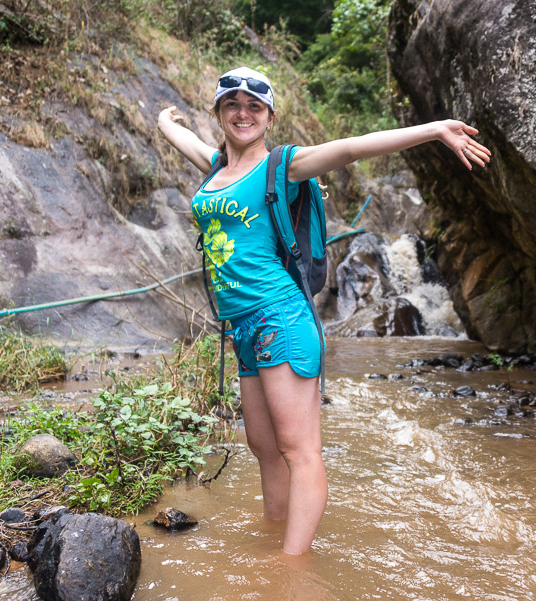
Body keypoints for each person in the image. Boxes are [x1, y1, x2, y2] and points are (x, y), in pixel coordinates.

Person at [157, 66, 491, 555]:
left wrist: (435, 129)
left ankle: (293, 570)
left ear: (269, 117)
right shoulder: (215, 168)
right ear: (219, 113)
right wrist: (166, 123)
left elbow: (353, 147)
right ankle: (276, 537)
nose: (243, 113)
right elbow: (184, 140)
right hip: (244, 328)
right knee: (264, 449)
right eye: (232, 104)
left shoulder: (283, 165)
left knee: (299, 451)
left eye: (255, 106)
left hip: (281, 318)